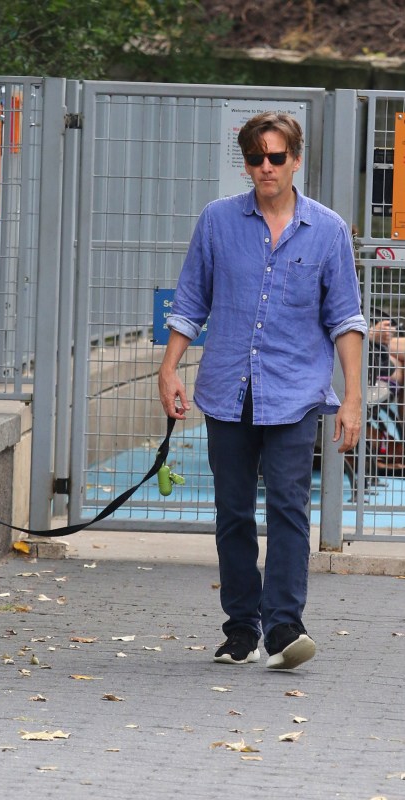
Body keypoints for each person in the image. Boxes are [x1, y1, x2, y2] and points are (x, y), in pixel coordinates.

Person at [158, 112, 366, 670]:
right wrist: (170, 368)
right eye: (255, 158)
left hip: (296, 394)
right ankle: (241, 628)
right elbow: (189, 302)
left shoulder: (328, 230)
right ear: (246, 162)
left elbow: (346, 319)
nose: (266, 168)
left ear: (296, 160)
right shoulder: (217, 222)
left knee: (288, 509)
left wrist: (352, 398)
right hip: (228, 390)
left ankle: (283, 629)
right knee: (232, 515)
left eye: (276, 157)